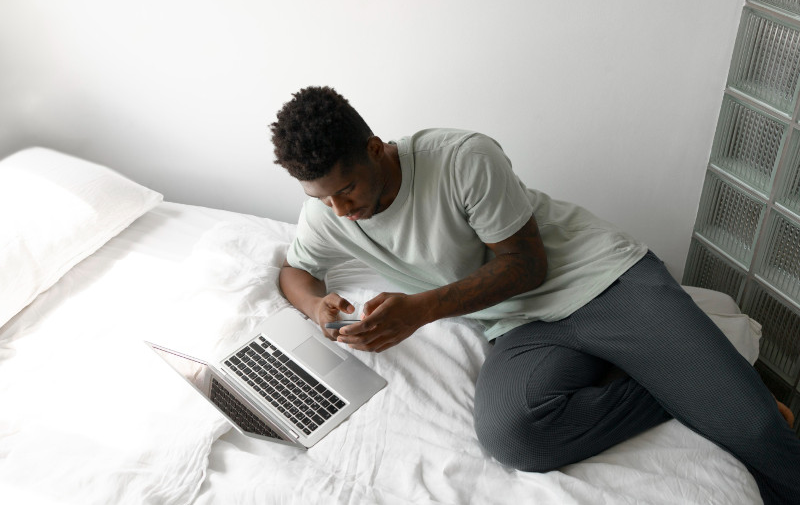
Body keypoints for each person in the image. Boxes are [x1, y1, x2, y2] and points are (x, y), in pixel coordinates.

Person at [270, 85, 800, 504]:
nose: (339, 209)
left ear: (374, 149)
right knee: (516, 437)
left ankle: (714, 382)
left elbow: (525, 266)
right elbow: (296, 273)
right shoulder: (327, 214)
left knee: (754, 428)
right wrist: (317, 307)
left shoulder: (460, 158)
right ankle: (681, 382)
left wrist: (422, 310)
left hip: (599, 280)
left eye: (346, 190)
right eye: (322, 198)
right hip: (519, 328)